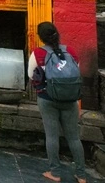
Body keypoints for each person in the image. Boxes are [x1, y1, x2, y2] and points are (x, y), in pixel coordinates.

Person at [28, 22, 87, 183]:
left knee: (52, 136)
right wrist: (78, 104)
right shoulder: (71, 52)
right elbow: (75, 78)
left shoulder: (38, 53)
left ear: (41, 37)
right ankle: (81, 175)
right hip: (70, 100)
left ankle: (55, 172)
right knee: (74, 138)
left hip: (47, 99)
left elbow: (31, 75)